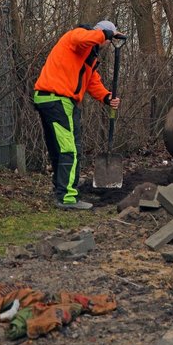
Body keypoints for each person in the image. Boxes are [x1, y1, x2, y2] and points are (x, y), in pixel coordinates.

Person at [33, 21, 124, 209]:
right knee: (70, 149)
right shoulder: (77, 36)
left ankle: (61, 187)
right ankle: (67, 197)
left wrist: (107, 97)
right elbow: (85, 37)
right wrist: (107, 33)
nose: (107, 45)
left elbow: (92, 82)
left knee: (60, 149)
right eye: (107, 40)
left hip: (52, 100)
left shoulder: (88, 56)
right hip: (58, 99)